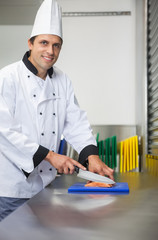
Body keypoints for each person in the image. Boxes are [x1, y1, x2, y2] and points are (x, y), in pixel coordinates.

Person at [0, 0, 114, 221]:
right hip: (10, 189)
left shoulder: (62, 80)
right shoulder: (7, 78)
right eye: (44, 42)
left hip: (44, 187)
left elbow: (75, 122)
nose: (50, 51)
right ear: (30, 43)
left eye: (56, 45)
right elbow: (3, 131)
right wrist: (50, 156)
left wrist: (92, 156)